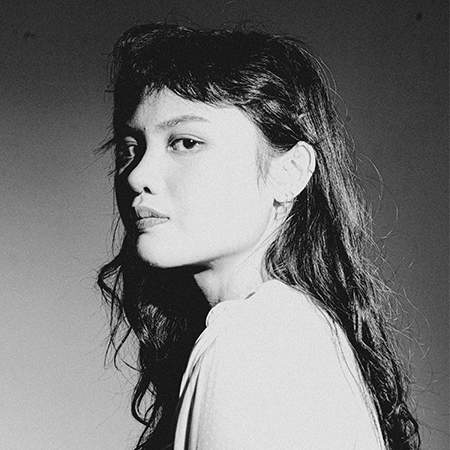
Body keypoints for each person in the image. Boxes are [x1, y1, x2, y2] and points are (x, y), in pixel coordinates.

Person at [97, 22, 421, 450]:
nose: (137, 175)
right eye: (130, 148)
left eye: (186, 142)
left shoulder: (252, 342)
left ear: (289, 172)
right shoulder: (291, 331)